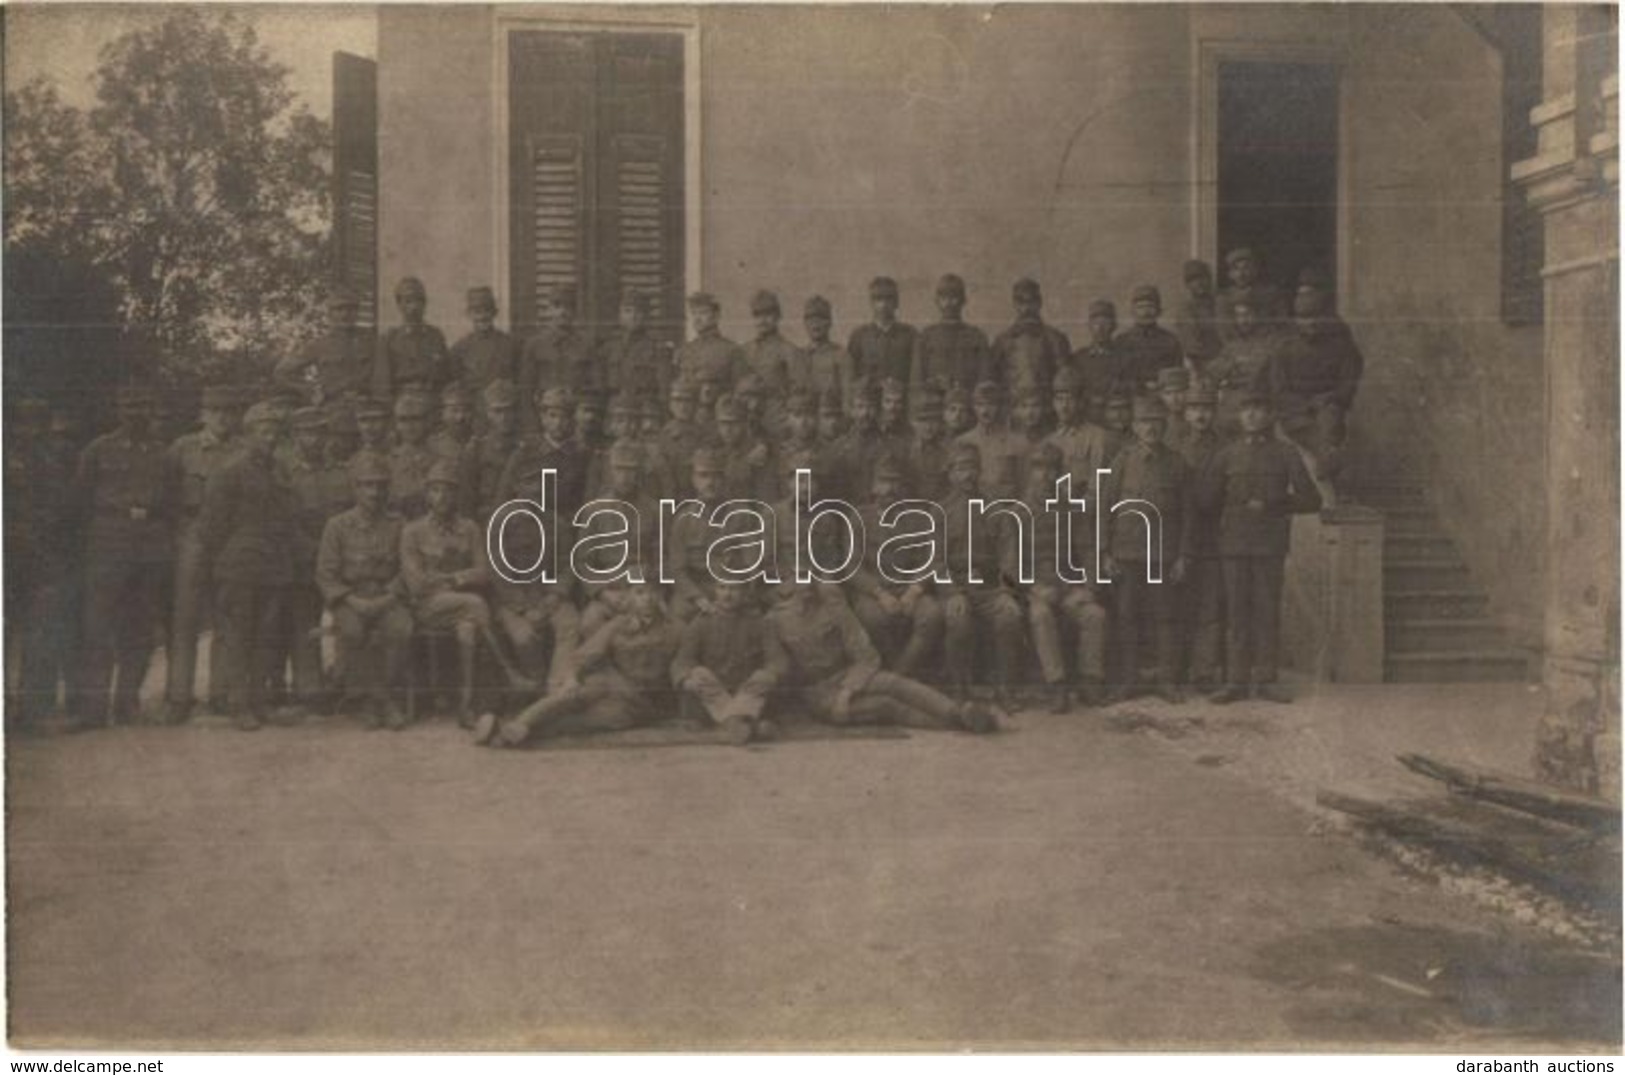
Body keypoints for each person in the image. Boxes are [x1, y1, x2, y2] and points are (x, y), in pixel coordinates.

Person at [1205, 391, 1323, 704]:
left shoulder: (1286, 453)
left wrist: (1274, 503)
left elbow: (1312, 499)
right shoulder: (1226, 455)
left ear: (1270, 415)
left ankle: (1267, 680)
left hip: (1269, 544)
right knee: (1236, 613)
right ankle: (1236, 681)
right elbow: (1207, 501)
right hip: (1233, 545)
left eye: (1259, 409)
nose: (1252, 415)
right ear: (1239, 416)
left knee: (1267, 611)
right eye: (1247, 409)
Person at [765, 579, 999, 733]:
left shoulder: (833, 605)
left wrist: (848, 689)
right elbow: (781, 669)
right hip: (818, 693)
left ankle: (959, 712)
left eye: (810, 577)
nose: (806, 584)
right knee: (887, 705)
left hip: (847, 675)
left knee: (894, 683)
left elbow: (865, 653)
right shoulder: (775, 620)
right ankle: (962, 725)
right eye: (798, 577)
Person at [401, 459, 535, 726]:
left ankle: (466, 707)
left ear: (457, 495)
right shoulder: (413, 531)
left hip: (461, 608)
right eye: (436, 490)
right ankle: (508, 671)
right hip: (426, 608)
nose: (442, 497)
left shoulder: (470, 528)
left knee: (469, 628)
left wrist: (449, 579)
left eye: (449, 491)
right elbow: (416, 583)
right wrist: (461, 580)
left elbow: (484, 572)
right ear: (427, 494)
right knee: (475, 603)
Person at [477, 583, 683, 747]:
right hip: (611, 683)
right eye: (639, 592)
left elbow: (682, 664)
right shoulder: (619, 624)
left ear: (660, 596)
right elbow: (587, 653)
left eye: (652, 593)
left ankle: (508, 732)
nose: (646, 599)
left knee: (589, 721)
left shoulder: (674, 629)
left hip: (637, 701)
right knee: (575, 695)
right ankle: (521, 722)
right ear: (629, 597)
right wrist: (573, 676)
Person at [76, 384, 172, 728]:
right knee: (97, 627)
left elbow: (172, 503)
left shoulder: (164, 453)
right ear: (118, 410)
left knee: (140, 629)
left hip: (150, 549)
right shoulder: (98, 450)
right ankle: (92, 708)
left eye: (144, 406)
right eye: (131, 406)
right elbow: (81, 500)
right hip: (108, 545)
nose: (138, 413)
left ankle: (127, 702)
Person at [199, 401, 299, 730]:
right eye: (263, 431)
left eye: (274, 431)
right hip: (239, 564)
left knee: (267, 635)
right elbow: (212, 527)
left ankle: (258, 701)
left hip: (274, 563)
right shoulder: (230, 471)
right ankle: (238, 704)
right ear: (248, 434)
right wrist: (227, 559)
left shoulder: (280, 470)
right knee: (239, 635)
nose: (270, 437)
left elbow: (287, 517)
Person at [1101, 396, 1193, 704]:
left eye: (1156, 422)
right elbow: (1105, 508)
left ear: (1164, 426)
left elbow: (1188, 515)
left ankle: (1167, 681)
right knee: (1127, 616)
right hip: (1126, 553)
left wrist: (1183, 556)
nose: (1150, 428)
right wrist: (1105, 553)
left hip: (1162, 555)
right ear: (1135, 427)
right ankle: (1129, 680)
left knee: (1166, 616)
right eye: (1144, 422)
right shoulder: (1122, 461)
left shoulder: (1178, 464)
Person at [163, 384, 242, 723]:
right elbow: (164, 494)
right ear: (203, 415)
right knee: (185, 618)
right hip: (191, 535)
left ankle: (220, 693)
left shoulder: (243, 449)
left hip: (229, 537)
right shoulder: (183, 448)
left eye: (229, 411)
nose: (223, 417)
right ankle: (180, 696)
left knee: (227, 615)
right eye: (216, 411)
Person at [317, 455, 413, 728]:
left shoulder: (399, 524)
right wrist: (350, 600)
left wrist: (390, 597)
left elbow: (409, 569)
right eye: (367, 485)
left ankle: (387, 697)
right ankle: (369, 701)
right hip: (350, 598)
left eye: (380, 486)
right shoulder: (337, 526)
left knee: (401, 629)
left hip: (388, 596)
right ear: (355, 489)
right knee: (353, 631)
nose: (374, 492)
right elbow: (326, 572)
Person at [1013, 442, 1108, 710]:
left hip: (1066, 586)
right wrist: (1032, 589)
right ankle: (1056, 685)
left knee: (1094, 614)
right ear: (1031, 473)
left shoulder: (1070, 508)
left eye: (1053, 470)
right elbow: (1010, 565)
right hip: (1034, 590)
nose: (1047, 476)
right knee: (1041, 615)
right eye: (1040, 469)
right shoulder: (1019, 511)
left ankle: (1091, 681)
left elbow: (1087, 551)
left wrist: (1088, 587)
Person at [939, 442, 1023, 703]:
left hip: (990, 588)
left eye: (973, 467)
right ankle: (960, 690)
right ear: (951, 473)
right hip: (958, 586)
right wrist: (952, 593)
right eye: (961, 467)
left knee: (1009, 615)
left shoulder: (996, 509)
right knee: (958, 620)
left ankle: (1004, 689)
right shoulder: (940, 511)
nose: (968, 474)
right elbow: (935, 562)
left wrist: (1006, 590)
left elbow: (1009, 554)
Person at [847, 455, 944, 677]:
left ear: (903, 488)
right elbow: (852, 566)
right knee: (874, 619)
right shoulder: (859, 517)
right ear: (873, 486)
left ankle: (900, 674)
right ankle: (894, 672)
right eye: (883, 482)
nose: (888, 490)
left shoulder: (919, 518)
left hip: (908, 587)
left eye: (894, 483)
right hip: (874, 591)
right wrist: (879, 593)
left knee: (932, 615)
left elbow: (933, 560)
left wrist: (914, 591)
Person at [282, 406, 352, 712]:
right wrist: (312, 551)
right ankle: (308, 687)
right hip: (303, 558)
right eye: (307, 432)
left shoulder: (342, 472)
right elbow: (285, 521)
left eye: (319, 432)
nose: (314, 439)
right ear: (296, 436)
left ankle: (344, 683)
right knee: (304, 622)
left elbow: (349, 517)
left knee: (346, 620)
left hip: (340, 561)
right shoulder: (286, 474)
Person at [1269, 272, 1364, 492]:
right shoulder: (1284, 346)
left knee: (1331, 420)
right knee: (1305, 426)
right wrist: (1303, 405)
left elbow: (1349, 379)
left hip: (1326, 404)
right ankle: (1327, 458)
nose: (1309, 323)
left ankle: (1331, 476)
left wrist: (1334, 397)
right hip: (1294, 410)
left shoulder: (1340, 344)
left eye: (1314, 316)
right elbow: (1278, 388)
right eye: (1303, 317)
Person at [672, 580, 786, 744]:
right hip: (714, 692)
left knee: (764, 676)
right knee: (698, 674)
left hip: (747, 690)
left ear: (744, 593)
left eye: (734, 589)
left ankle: (730, 724)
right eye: (722, 588)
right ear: (715, 591)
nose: (727, 594)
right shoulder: (702, 622)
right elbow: (683, 660)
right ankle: (745, 723)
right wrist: (684, 679)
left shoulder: (759, 622)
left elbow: (777, 659)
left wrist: (772, 673)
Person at [1175, 382, 1227, 691]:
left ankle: (1204, 671)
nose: (1200, 415)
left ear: (1214, 412)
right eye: (1194, 409)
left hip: (1212, 536)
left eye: (1206, 409)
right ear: (1184, 413)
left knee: (1209, 606)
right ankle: (1177, 667)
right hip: (1179, 537)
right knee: (1177, 604)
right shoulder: (1174, 446)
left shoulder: (1226, 448)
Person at [275, 287, 375, 411]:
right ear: (330, 313)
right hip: (333, 408)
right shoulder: (319, 345)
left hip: (367, 410)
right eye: (339, 309)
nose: (345, 314)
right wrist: (311, 391)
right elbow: (283, 372)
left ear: (357, 312)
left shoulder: (372, 342)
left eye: (351, 309)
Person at [375, 276, 453, 399]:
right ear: (399, 304)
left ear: (425, 304)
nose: (414, 307)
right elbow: (383, 384)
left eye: (418, 301)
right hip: (404, 403)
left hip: (432, 400)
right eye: (408, 301)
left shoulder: (435, 336)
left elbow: (447, 375)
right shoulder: (389, 339)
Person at [990, 277, 1071, 395]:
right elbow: (993, 380)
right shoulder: (1002, 341)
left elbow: (1065, 381)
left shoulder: (1056, 339)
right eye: (1021, 302)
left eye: (1032, 301)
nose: (1026, 308)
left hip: (1046, 408)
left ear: (1040, 303)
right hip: (1012, 409)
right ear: (1014, 304)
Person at [914, 273, 990, 394]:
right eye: (944, 298)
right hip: (933, 405)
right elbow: (917, 382)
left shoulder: (977, 337)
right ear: (936, 301)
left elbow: (984, 381)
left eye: (954, 297)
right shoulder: (926, 337)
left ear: (963, 300)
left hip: (967, 405)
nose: (949, 303)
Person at [598, 289, 672, 406]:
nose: (633, 316)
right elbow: (600, 388)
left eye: (638, 312)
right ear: (620, 316)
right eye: (627, 311)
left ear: (646, 316)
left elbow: (664, 391)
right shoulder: (608, 348)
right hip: (614, 410)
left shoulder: (657, 348)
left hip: (644, 410)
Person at [448, 286, 519, 403]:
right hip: (473, 410)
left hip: (502, 410)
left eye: (487, 310)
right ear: (468, 314)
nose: (482, 316)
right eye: (477, 311)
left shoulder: (511, 345)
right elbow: (456, 387)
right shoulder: (459, 349)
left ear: (495, 313)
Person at [1111, 285, 1184, 394]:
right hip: (1131, 401)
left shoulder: (1171, 341)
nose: (1146, 312)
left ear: (1159, 311)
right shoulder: (1121, 341)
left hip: (1164, 399)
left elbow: (1178, 376)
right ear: (1133, 311)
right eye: (1140, 307)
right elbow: (1114, 381)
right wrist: (1141, 387)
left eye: (1151, 306)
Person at [954, 381, 1019, 501]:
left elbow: (1024, 486)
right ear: (973, 407)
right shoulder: (962, 441)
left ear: (999, 407)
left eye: (991, 404)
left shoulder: (1016, 443)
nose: (985, 410)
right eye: (980, 404)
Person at [848, 276, 916, 389]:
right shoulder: (859, 336)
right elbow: (851, 377)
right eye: (878, 299)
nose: (883, 305)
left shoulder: (910, 334)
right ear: (871, 303)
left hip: (900, 401)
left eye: (889, 299)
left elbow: (916, 377)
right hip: (869, 401)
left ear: (896, 302)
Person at [673, 291, 747, 390]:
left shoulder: (731, 351)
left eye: (703, 312)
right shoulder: (684, 351)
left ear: (716, 316)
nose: (697, 318)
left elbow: (740, 390)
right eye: (694, 313)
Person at [1070, 298, 1122, 423]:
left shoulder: (1125, 357)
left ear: (1114, 325)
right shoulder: (1078, 358)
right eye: (1095, 323)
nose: (1100, 328)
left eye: (1105, 322)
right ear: (1089, 326)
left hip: (1116, 419)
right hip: (1086, 419)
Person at [388, 391, 437, 520]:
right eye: (403, 420)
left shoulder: (440, 460)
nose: (410, 426)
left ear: (427, 422)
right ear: (396, 425)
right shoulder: (388, 462)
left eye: (416, 419)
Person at [1217, 247, 1289, 334]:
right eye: (1236, 269)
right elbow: (1224, 328)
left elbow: (1280, 323)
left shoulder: (1272, 294)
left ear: (1255, 270)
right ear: (1230, 274)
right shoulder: (1224, 298)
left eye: (1246, 268)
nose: (1241, 274)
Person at [741, 289, 796, 397]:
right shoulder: (744, 350)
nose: (762, 321)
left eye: (767, 315)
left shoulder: (789, 351)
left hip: (778, 411)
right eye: (757, 315)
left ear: (778, 316)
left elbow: (798, 393)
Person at [1174, 259, 1224, 370]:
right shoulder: (1186, 309)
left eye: (1203, 278)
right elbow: (1192, 346)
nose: (1199, 283)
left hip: (1226, 361)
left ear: (1210, 280)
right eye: (1193, 280)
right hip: (1202, 364)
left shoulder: (1219, 303)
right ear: (1187, 285)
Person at [793, 294, 845, 400]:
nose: (815, 324)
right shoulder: (798, 356)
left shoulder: (841, 355)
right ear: (805, 323)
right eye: (810, 320)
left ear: (830, 322)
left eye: (821, 319)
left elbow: (848, 397)